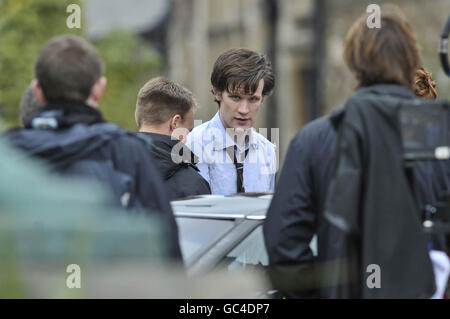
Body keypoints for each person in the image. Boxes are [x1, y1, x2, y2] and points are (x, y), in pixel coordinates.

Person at [264, 5, 444, 298]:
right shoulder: (439, 139)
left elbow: (283, 248)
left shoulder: (313, 140)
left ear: (353, 62)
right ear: (410, 58)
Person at [5, 35, 182, 260]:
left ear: (37, 90)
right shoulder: (127, 152)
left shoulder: (8, 153)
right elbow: (165, 246)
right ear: (99, 88)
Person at [186, 48, 277, 195]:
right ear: (217, 93)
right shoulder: (192, 144)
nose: (244, 109)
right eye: (236, 97)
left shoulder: (267, 150)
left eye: (253, 99)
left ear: (263, 99)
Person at [135, 77, 211, 200]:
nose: (187, 138)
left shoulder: (110, 168)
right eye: (188, 130)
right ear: (175, 122)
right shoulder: (192, 185)